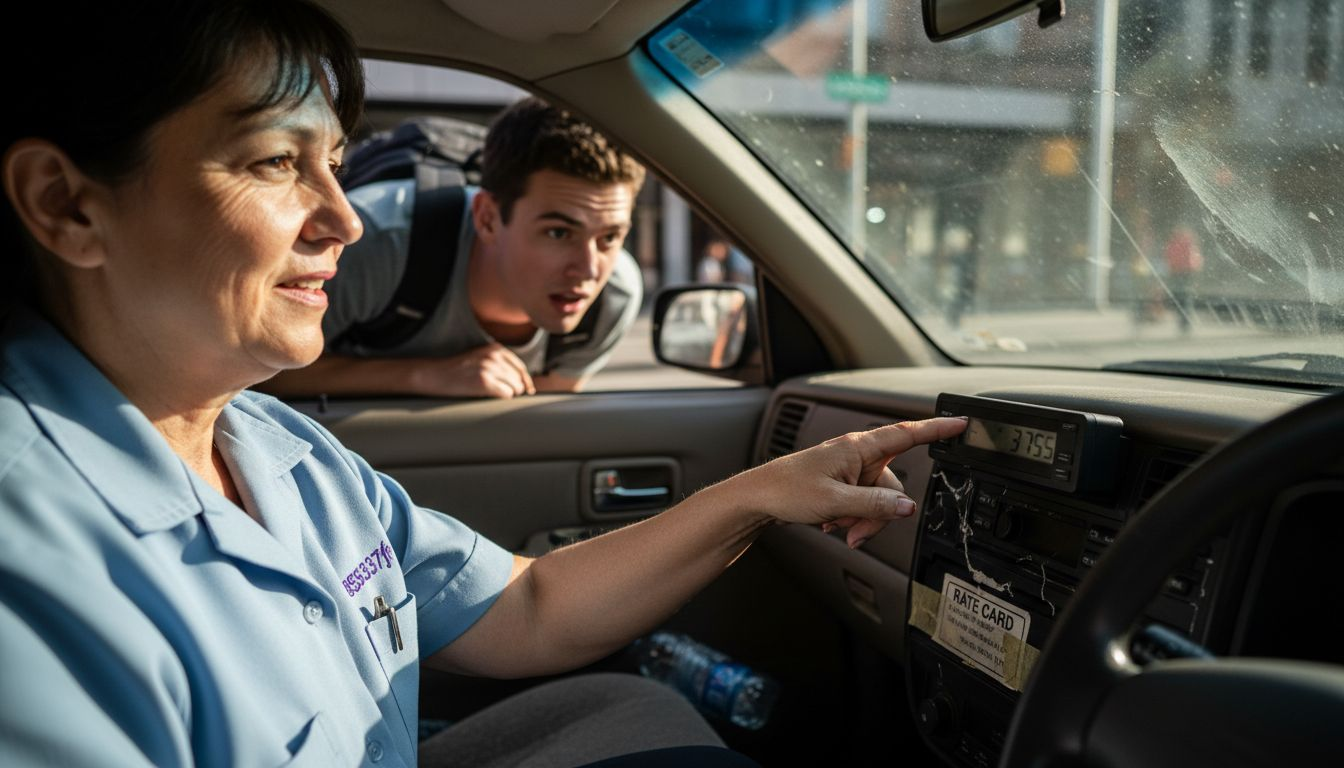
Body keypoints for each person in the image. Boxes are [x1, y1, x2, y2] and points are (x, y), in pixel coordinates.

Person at [0, 2, 967, 766]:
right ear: (66, 205)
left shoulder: (281, 449)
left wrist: (765, 494)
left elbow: (529, 608)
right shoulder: (31, 560)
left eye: (333, 165)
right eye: (273, 163)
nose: (340, 220)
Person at [264, 97, 646, 400]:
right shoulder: (373, 242)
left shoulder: (615, 294)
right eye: (559, 233)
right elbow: (256, 373)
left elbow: (537, 420)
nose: (589, 269)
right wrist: (425, 374)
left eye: (610, 237)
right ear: (487, 219)